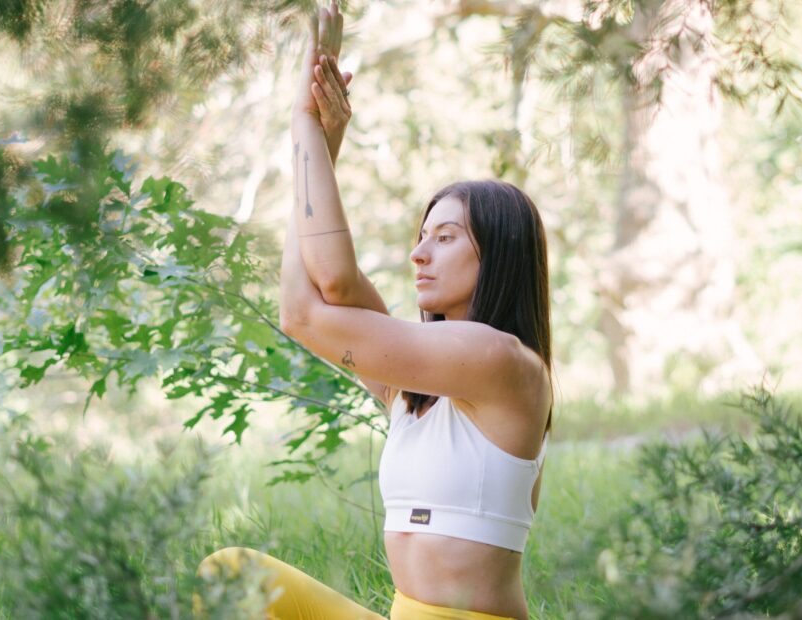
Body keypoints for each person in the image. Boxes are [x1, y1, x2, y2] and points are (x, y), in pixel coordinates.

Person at [195, 3, 553, 619]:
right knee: (233, 578)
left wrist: (303, 123)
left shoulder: (500, 361)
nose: (418, 254)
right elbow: (310, 296)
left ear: (498, 254)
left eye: (445, 237)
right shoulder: (413, 391)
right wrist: (320, 151)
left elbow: (310, 306)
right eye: (421, 235)